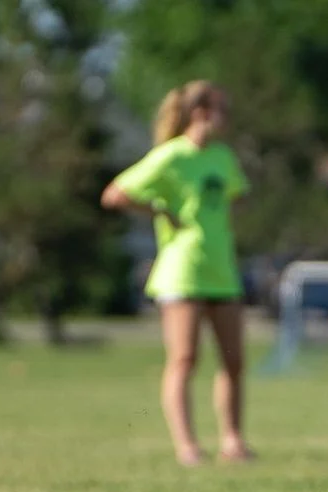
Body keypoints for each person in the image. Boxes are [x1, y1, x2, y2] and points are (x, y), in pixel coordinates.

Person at [101, 81, 253, 466]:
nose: (228, 118)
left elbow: (236, 198)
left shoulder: (222, 156)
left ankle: (232, 442)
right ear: (201, 112)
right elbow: (114, 194)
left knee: (233, 361)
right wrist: (160, 210)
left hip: (222, 269)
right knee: (185, 359)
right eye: (222, 109)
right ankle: (187, 446)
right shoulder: (170, 156)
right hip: (181, 271)